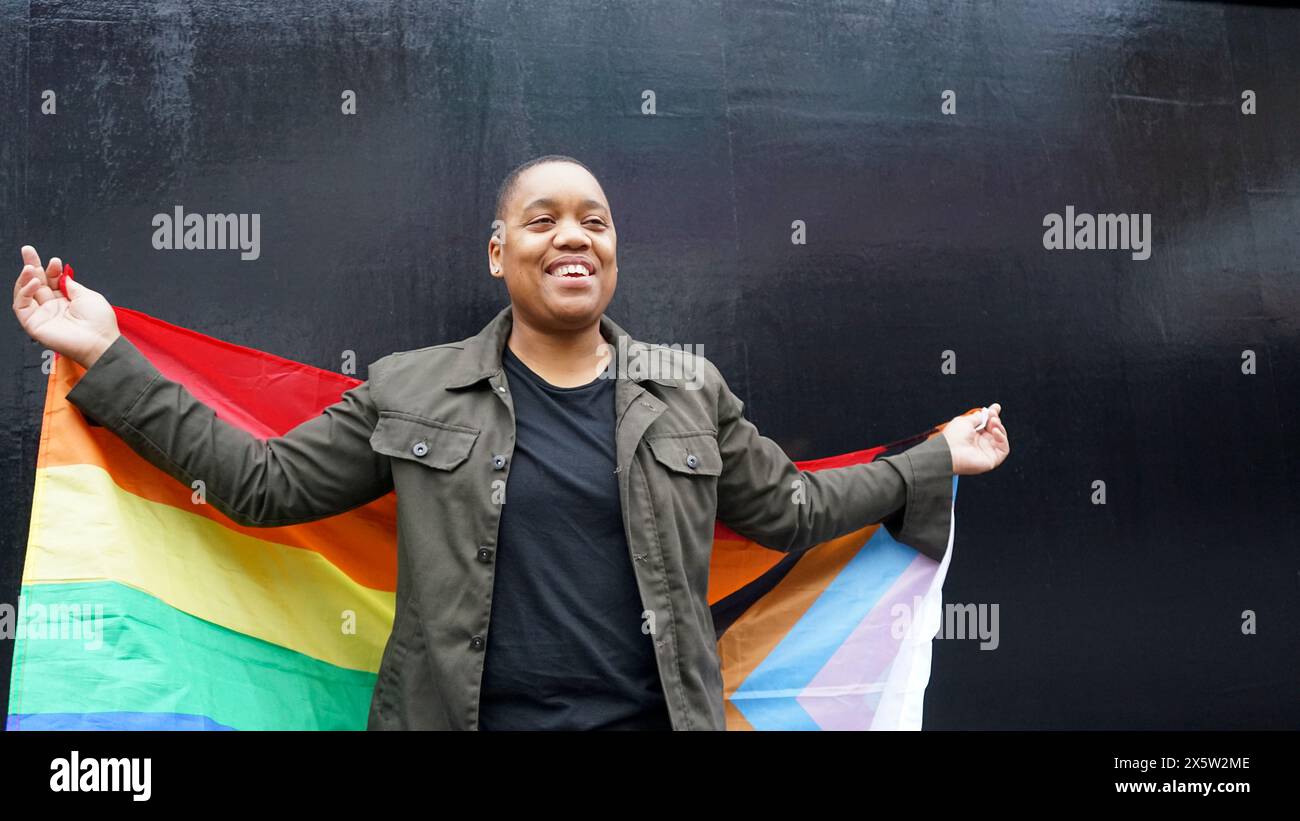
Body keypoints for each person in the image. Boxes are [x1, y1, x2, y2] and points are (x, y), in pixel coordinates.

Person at [11, 154, 1010, 730]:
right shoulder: (410, 386)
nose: (574, 236)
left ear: (614, 253)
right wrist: (107, 357)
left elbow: (789, 508)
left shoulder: (687, 389)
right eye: (543, 220)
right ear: (499, 252)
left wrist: (932, 459)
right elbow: (260, 483)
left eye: (596, 222)